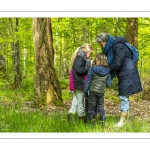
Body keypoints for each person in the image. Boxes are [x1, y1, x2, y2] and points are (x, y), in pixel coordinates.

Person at [96, 33, 143, 127]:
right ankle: (125, 119)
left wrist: (105, 68)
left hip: (127, 73)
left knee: (123, 96)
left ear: (105, 41)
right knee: (124, 96)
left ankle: (122, 122)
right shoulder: (115, 45)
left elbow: (117, 63)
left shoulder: (118, 46)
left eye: (101, 43)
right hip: (125, 72)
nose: (101, 46)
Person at [84, 53, 112, 127]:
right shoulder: (108, 71)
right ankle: (102, 123)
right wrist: (103, 84)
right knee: (101, 107)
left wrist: (85, 91)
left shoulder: (92, 69)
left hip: (93, 91)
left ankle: (91, 124)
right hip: (101, 92)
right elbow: (109, 83)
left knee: (91, 108)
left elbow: (88, 81)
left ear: (96, 60)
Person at [68, 43, 93, 123]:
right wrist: (89, 70)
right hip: (79, 83)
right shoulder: (80, 58)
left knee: (75, 102)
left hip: (77, 83)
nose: (90, 55)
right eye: (90, 53)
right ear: (87, 50)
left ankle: (71, 117)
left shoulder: (80, 57)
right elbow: (79, 70)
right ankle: (82, 119)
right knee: (80, 102)